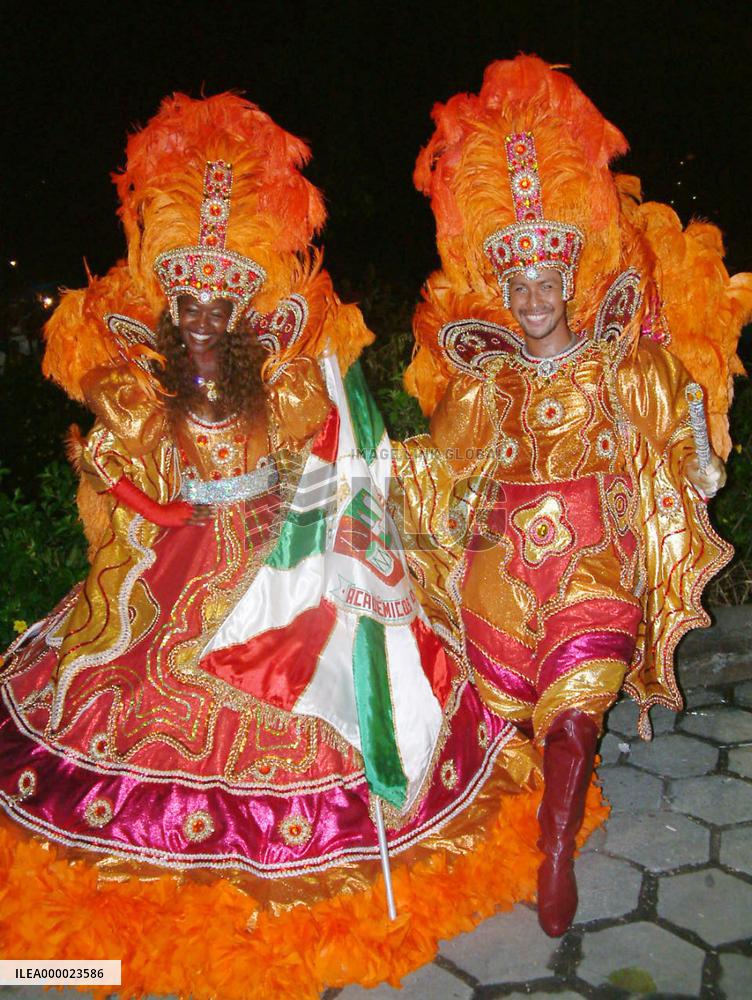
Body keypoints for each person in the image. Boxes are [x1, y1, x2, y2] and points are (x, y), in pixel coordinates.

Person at [1, 91, 597, 999]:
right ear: (170, 310)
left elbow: (322, 451)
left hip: (274, 558)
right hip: (180, 571)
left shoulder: (274, 386)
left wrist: (335, 469)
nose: (202, 316)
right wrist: (139, 499)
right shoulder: (146, 394)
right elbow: (138, 488)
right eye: (189, 301)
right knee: (147, 685)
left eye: (218, 302)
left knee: (310, 686)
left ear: (245, 316)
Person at [393, 56, 751, 937]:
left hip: (596, 551)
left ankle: (556, 855)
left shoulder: (620, 362)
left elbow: (690, 437)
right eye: (516, 285)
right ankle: (527, 808)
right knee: (512, 712)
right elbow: (437, 461)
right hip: (498, 566)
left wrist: (699, 458)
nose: (532, 296)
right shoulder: (485, 380)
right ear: (505, 295)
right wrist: (364, 477)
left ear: (570, 282)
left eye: (546, 281)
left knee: (577, 710)